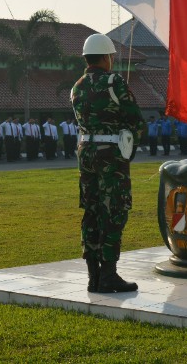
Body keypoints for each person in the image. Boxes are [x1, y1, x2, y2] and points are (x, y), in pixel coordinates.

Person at [71, 33, 146, 293]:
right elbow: (136, 120)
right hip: (110, 154)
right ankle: (109, 275)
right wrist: (129, 148)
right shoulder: (114, 81)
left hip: (85, 152)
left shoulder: (77, 85)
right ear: (106, 58)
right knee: (114, 210)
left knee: (91, 211)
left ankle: (93, 276)